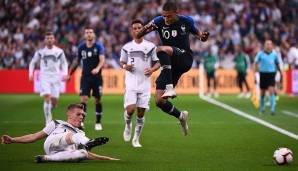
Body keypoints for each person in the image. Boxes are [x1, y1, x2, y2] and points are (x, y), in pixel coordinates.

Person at [136, 1, 209, 136]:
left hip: (184, 58)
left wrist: (202, 36)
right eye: (164, 16)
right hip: (169, 64)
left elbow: (199, 35)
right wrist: (147, 27)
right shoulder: (158, 21)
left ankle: (170, 88)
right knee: (159, 101)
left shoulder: (186, 21)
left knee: (160, 49)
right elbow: (138, 35)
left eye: (169, 16)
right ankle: (181, 116)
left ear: (176, 13)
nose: (166, 19)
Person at [1, 103, 119, 162]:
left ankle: (46, 158)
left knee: (83, 153)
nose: (81, 117)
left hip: (62, 153)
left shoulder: (79, 132)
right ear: (69, 114)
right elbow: (35, 136)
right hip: (52, 142)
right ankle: (89, 142)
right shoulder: (57, 123)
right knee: (76, 136)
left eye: (83, 115)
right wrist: (13, 140)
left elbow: (90, 156)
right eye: (78, 114)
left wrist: (107, 159)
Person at [120, 19, 160, 147]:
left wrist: (152, 69)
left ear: (143, 30)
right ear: (131, 31)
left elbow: (159, 62)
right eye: (135, 28)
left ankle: (136, 138)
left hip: (145, 84)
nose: (137, 30)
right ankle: (127, 125)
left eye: (139, 28)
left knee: (141, 113)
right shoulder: (126, 47)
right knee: (131, 110)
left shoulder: (151, 46)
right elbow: (122, 62)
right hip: (131, 83)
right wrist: (126, 66)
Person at [69, 27, 105, 130]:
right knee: (83, 99)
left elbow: (102, 60)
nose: (89, 34)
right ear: (85, 35)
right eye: (87, 32)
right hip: (85, 77)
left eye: (90, 32)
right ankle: (81, 123)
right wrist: (70, 73)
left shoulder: (98, 46)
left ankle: (98, 122)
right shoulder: (81, 47)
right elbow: (76, 61)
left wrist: (97, 68)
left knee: (97, 100)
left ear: (93, 35)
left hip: (97, 77)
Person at [29, 32, 68, 125]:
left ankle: (50, 107)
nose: (49, 40)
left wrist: (65, 73)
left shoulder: (59, 51)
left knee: (54, 102)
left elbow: (64, 63)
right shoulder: (40, 52)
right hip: (44, 76)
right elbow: (32, 62)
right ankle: (48, 121)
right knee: (47, 97)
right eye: (47, 38)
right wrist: (30, 73)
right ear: (45, 40)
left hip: (56, 77)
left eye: (51, 38)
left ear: (54, 40)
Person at [254, 40, 283, 115]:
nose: (268, 45)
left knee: (271, 90)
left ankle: (272, 109)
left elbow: (277, 63)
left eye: (269, 44)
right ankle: (262, 108)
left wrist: (280, 71)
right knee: (262, 92)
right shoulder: (260, 53)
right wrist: (256, 70)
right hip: (263, 74)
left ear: (272, 45)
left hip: (271, 74)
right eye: (267, 44)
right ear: (264, 45)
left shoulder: (274, 54)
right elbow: (256, 61)